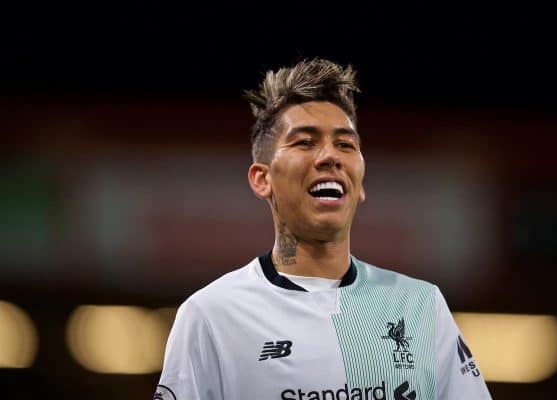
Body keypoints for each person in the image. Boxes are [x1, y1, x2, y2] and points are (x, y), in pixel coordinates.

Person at [154, 58, 492, 400]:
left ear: (359, 184)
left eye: (345, 145)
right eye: (305, 142)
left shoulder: (420, 307)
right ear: (262, 179)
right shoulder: (212, 316)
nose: (330, 156)